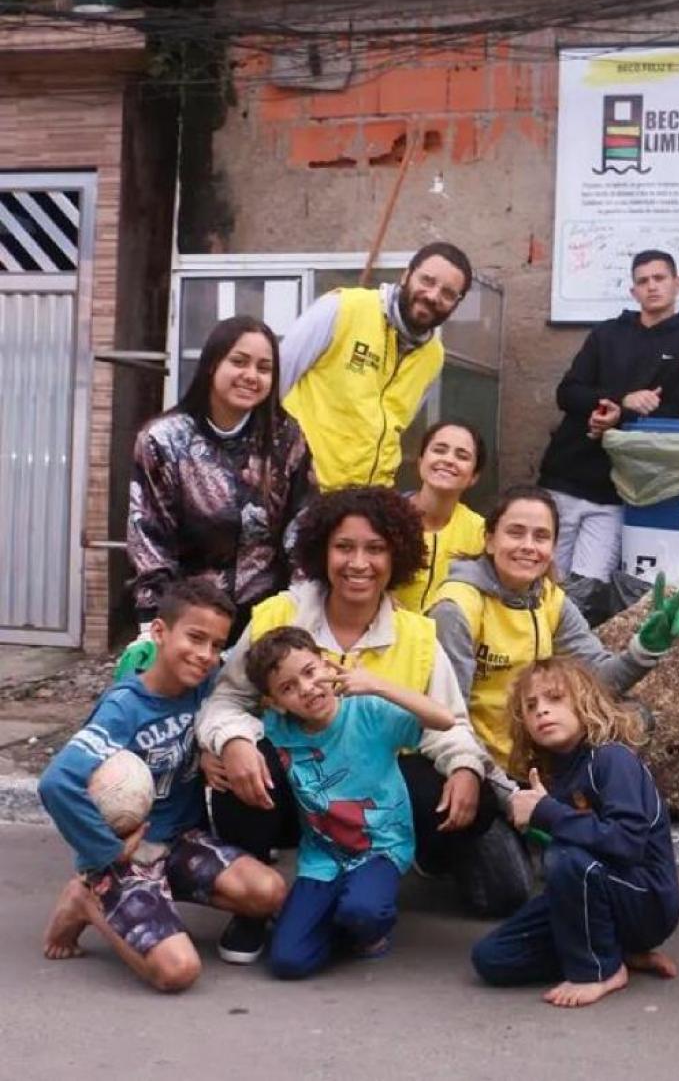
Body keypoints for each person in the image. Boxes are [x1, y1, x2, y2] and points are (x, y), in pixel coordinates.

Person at [196, 485, 523, 963]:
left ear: (397, 556)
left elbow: (449, 724)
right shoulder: (278, 615)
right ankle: (253, 902)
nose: (358, 563)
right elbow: (227, 700)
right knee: (239, 766)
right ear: (322, 551)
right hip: (299, 784)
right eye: (344, 547)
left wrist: (466, 769)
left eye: (375, 548)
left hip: (376, 795)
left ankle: (378, 884)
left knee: (460, 793)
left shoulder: (418, 634)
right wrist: (231, 740)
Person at [38, 580, 286, 991]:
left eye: (216, 644)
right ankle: (86, 898)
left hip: (183, 841)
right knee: (177, 972)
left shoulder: (206, 687)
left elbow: (236, 711)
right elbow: (57, 783)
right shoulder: (123, 708)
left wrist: (212, 746)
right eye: (195, 638)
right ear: (159, 632)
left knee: (268, 891)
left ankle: (156, 896)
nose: (205, 655)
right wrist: (107, 852)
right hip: (128, 855)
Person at [427, 485, 679, 775]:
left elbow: (599, 680)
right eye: (515, 532)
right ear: (490, 540)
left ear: (553, 548)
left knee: (632, 717)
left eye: (541, 536)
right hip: (477, 762)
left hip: (537, 755)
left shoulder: (550, 599)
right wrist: (502, 792)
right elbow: (450, 719)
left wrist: (645, 648)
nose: (528, 545)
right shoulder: (458, 607)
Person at [244, 626, 455, 979]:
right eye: (288, 688)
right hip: (323, 858)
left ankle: (364, 925)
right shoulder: (279, 729)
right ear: (275, 703)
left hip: (380, 848)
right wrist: (214, 751)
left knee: (363, 911)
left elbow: (444, 720)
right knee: (287, 962)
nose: (307, 689)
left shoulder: (367, 710)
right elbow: (227, 717)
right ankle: (331, 923)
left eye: (310, 672)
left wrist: (377, 684)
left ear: (327, 665)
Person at [471, 658, 679, 1008]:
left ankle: (599, 970)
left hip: (646, 900)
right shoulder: (555, 773)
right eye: (531, 706)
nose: (542, 712)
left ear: (586, 702)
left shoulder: (613, 760)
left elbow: (627, 842)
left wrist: (547, 813)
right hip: (591, 891)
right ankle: (616, 951)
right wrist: (533, 819)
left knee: (566, 859)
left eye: (555, 699)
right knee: (492, 958)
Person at [127, 315, 315, 646]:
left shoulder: (286, 438)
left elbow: (301, 527)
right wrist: (153, 625)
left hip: (266, 618)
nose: (250, 376)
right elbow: (151, 539)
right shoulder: (164, 440)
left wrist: (300, 608)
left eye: (264, 367)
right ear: (213, 364)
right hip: (189, 620)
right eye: (239, 362)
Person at [537, 249, 679, 599]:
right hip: (565, 476)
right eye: (643, 281)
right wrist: (623, 399)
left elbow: (673, 412)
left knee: (586, 592)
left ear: (677, 284)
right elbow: (568, 393)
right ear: (633, 291)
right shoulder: (606, 334)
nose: (652, 287)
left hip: (617, 491)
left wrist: (619, 418)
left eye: (659, 278)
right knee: (540, 582)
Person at [280, 241, 472, 489]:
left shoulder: (433, 355)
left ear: (457, 303)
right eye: (427, 281)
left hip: (370, 498)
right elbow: (276, 382)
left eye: (448, 293)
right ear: (406, 275)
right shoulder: (343, 309)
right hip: (306, 488)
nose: (433, 296)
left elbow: (395, 427)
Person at [392, 420, 487, 613]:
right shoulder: (386, 519)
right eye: (439, 450)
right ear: (421, 462)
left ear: (474, 476)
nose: (449, 460)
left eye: (462, 456)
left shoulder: (482, 533)